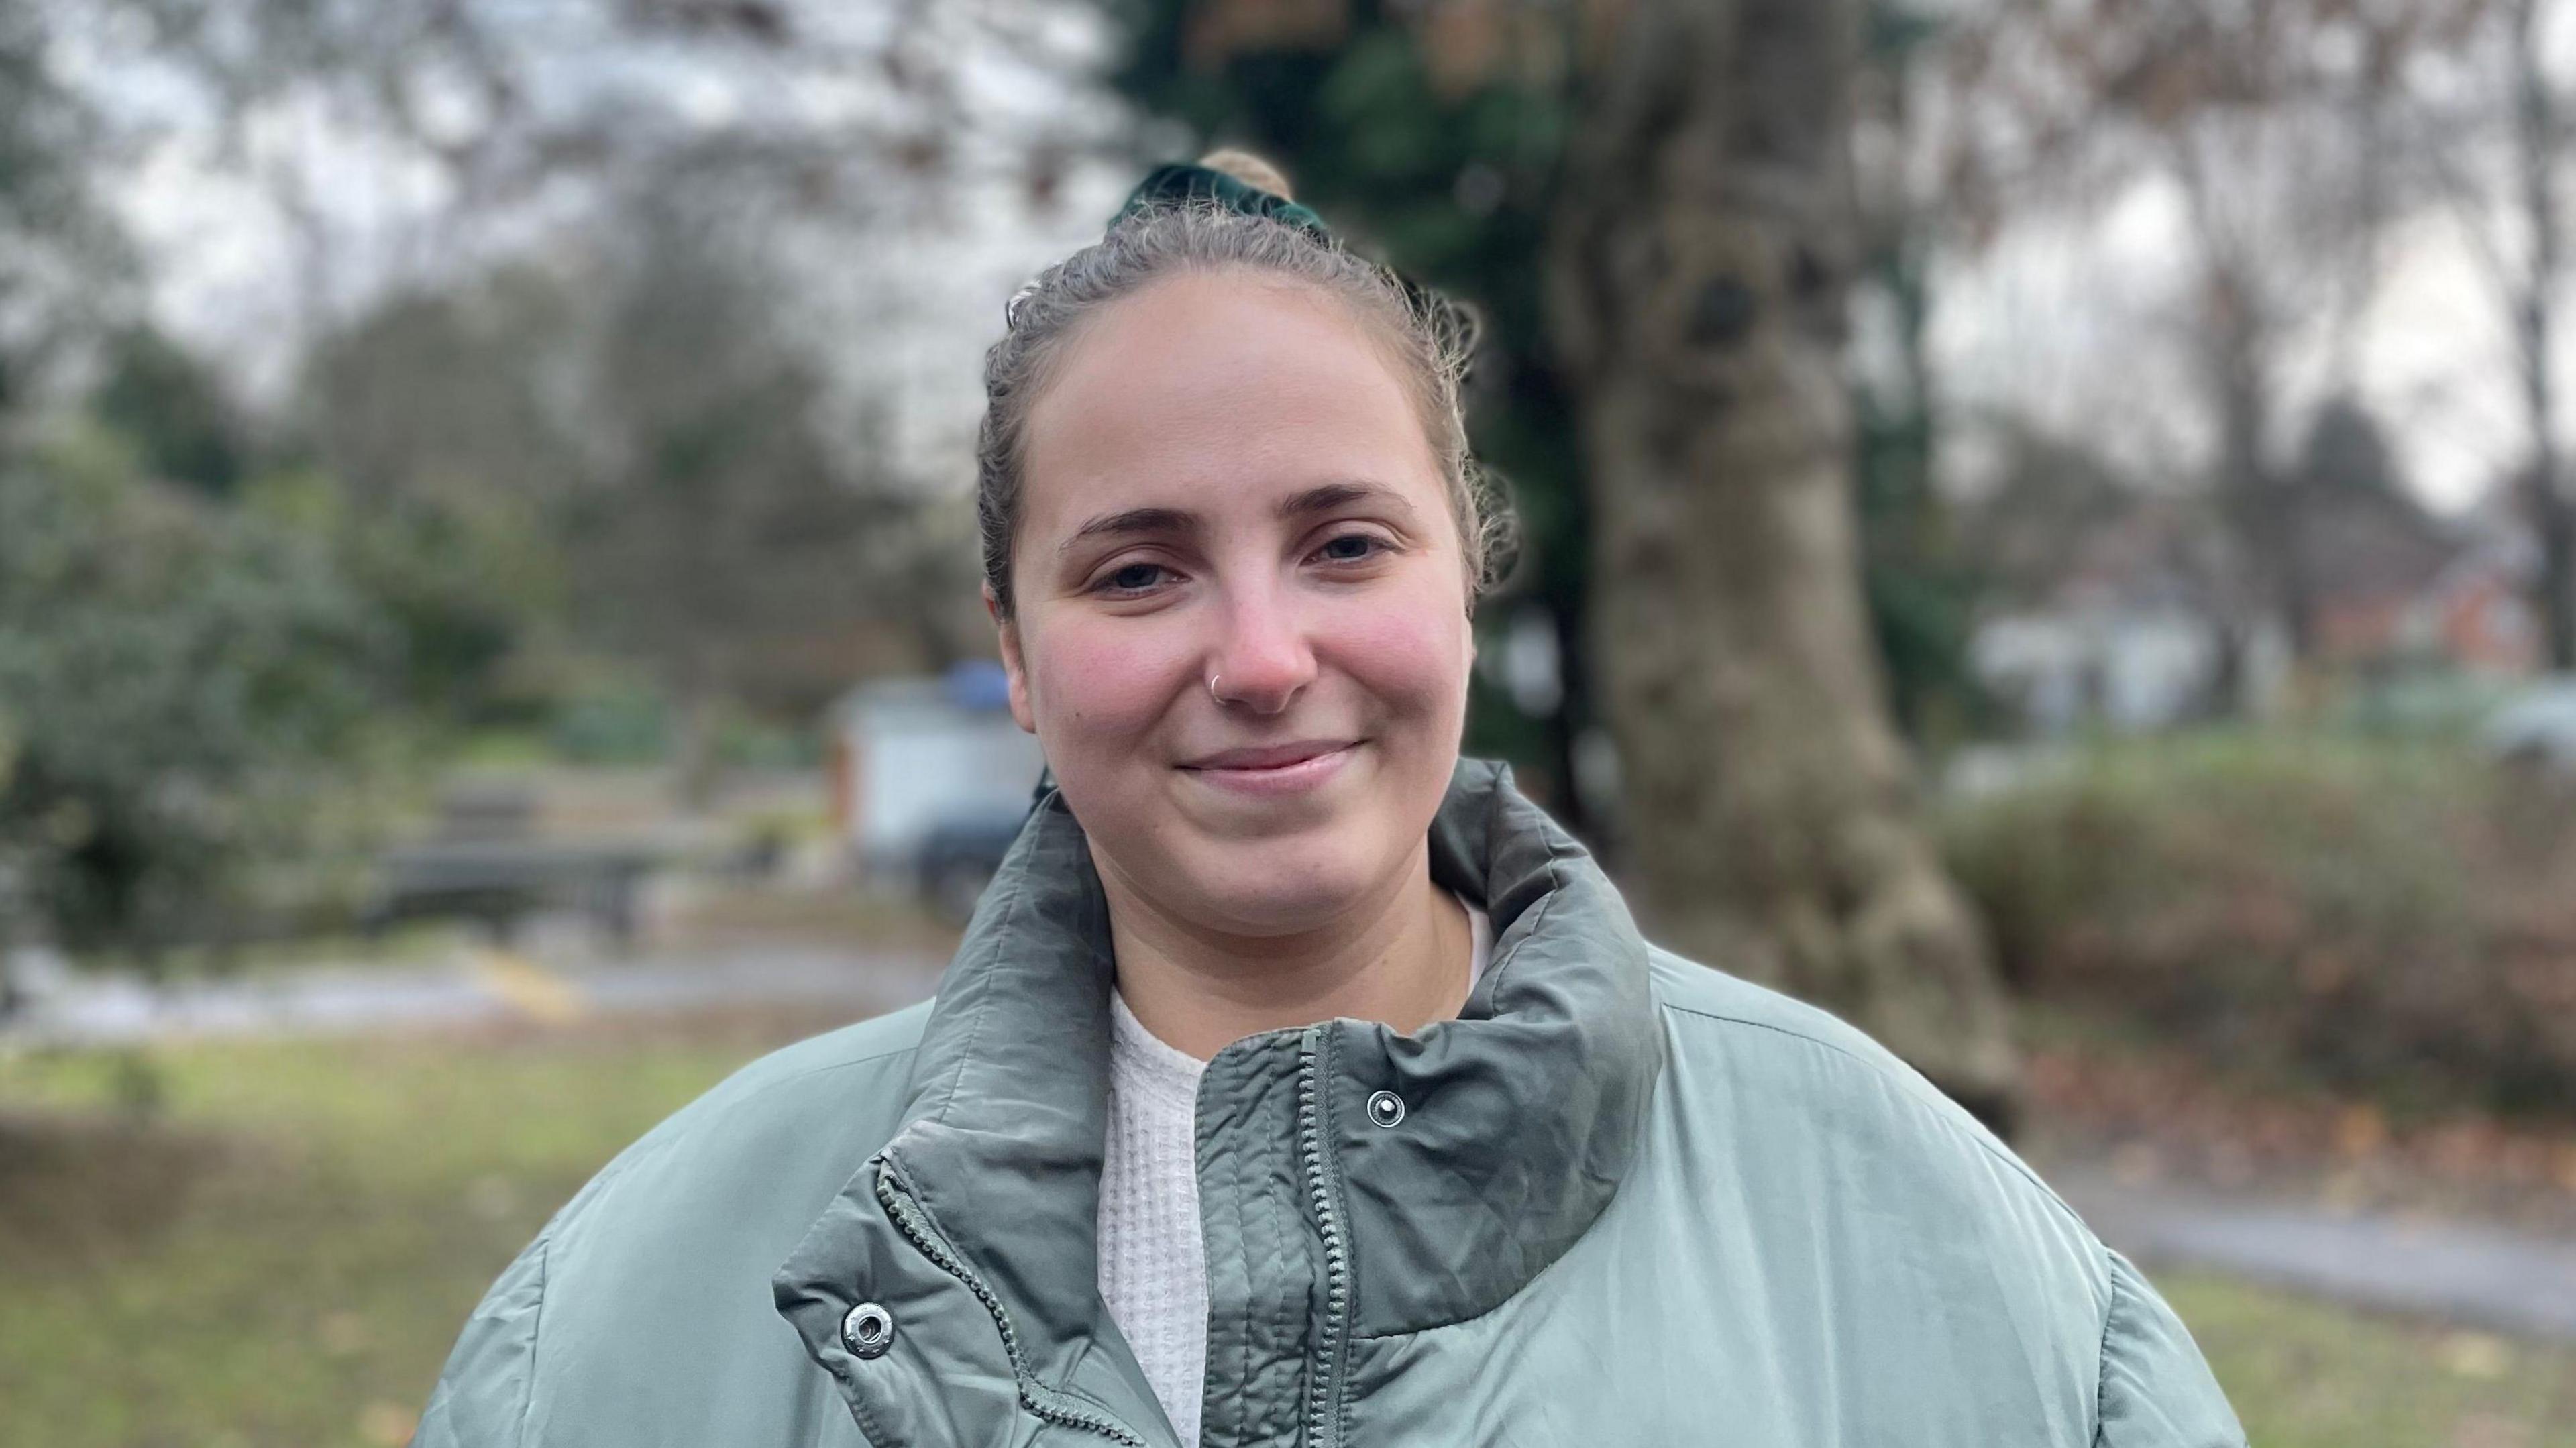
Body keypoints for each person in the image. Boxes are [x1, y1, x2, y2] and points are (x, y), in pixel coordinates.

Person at [413, 152, 2244, 1448]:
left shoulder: (1938, 1251)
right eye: (1140, 573)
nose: (1266, 653)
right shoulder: (621, 1319)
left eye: (1344, 542)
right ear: (1020, 651)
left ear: (1466, 580)